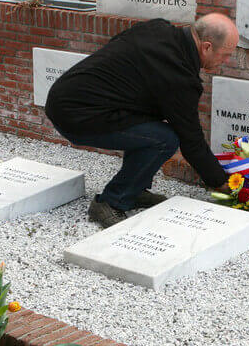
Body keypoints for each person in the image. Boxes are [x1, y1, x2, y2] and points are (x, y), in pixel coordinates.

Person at [45, 13, 238, 227]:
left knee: (149, 128)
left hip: (64, 95)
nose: (226, 61)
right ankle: (111, 202)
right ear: (207, 47)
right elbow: (191, 142)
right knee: (165, 139)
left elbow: (116, 49)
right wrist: (223, 184)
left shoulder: (158, 27)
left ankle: (134, 190)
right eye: (226, 54)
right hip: (77, 114)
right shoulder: (179, 76)